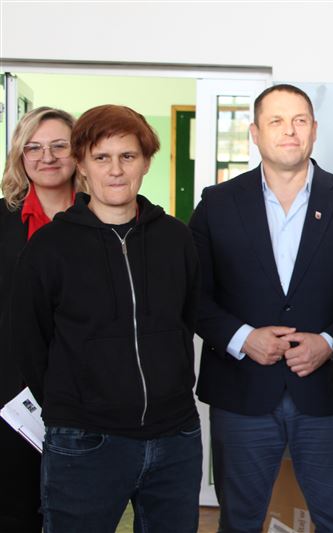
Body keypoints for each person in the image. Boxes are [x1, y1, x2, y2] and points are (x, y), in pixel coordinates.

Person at [189, 84, 333, 533]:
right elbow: (192, 295)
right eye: (276, 121)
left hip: (328, 396)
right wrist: (242, 338)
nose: (289, 131)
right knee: (239, 522)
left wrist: (330, 342)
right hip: (241, 393)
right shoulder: (216, 204)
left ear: (314, 130)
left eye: (299, 120)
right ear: (255, 133)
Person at [10, 104, 202, 532]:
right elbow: (30, 342)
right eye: (102, 157)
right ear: (81, 164)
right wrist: (73, 409)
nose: (115, 170)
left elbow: (185, 321)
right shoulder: (49, 247)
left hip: (175, 437)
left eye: (127, 156)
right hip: (84, 440)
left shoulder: (176, 238)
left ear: (146, 162)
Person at [0, 106, 79, 532]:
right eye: (33, 147)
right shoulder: (2, 221)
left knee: (78, 511)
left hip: (87, 397)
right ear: (20, 155)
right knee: (15, 512)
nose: (46, 157)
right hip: (10, 398)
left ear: (78, 152)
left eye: (59, 146)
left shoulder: (103, 218)